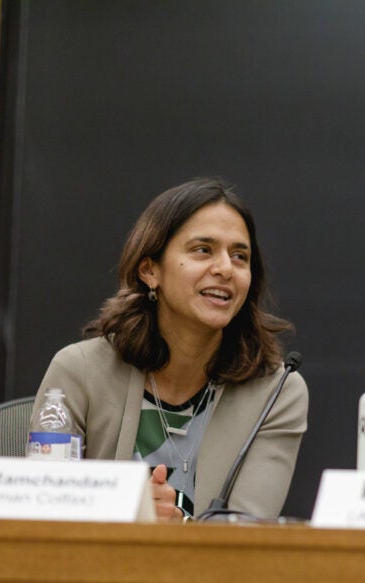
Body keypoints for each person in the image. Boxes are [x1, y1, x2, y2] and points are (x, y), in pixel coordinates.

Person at [32, 177, 308, 522]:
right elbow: (45, 508)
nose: (225, 268)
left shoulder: (276, 392)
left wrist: (179, 530)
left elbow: (247, 530)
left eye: (240, 256)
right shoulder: (78, 371)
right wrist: (125, 509)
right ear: (150, 270)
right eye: (203, 250)